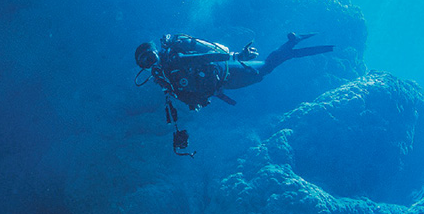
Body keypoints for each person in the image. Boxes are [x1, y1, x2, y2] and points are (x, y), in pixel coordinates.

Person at [134, 32, 333, 155]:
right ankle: (289, 48)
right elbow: (179, 96)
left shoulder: (176, 55)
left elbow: (209, 52)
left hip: (227, 73)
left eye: (151, 57)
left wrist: (238, 56)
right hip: (221, 87)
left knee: (263, 69)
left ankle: (290, 46)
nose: (151, 63)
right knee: (263, 70)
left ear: (156, 52)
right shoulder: (162, 77)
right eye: (145, 63)